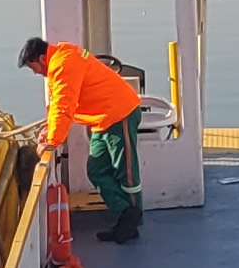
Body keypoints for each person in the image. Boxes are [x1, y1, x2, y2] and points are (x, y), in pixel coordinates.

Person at [19, 35, 146, 244]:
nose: (35, 72)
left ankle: (132, 222)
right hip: (102, 119)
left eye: (33, 67)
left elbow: (63, 106)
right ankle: (125, 215)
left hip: (119, 114)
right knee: (96, 170)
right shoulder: (60, 59)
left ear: (41, 58)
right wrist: (49, 130)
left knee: (127, 174)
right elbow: (57, 102)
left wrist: (52, 141)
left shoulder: (62, 65)